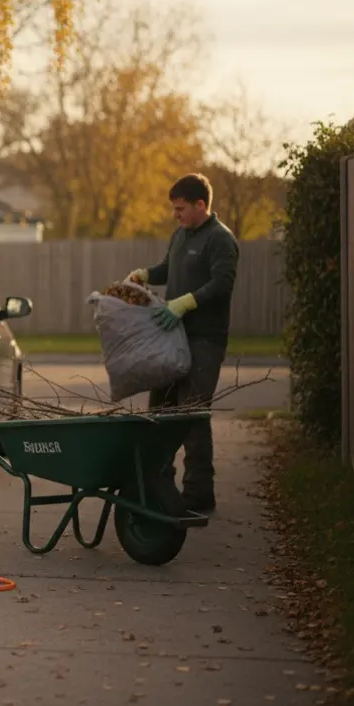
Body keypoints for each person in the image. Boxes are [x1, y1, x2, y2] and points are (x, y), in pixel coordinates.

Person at [126, 173, 239, 513]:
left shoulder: (220, 239)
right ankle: (159, 484)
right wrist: (147, 274)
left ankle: (198, 493)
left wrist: (186, 302)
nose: (175, 215)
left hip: (205, 340)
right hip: (172, 337)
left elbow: (222, 283)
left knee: (192, 415)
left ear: (200, 205)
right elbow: (169, 268)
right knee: (159, 412)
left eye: (180, 209)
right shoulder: (180, 235)